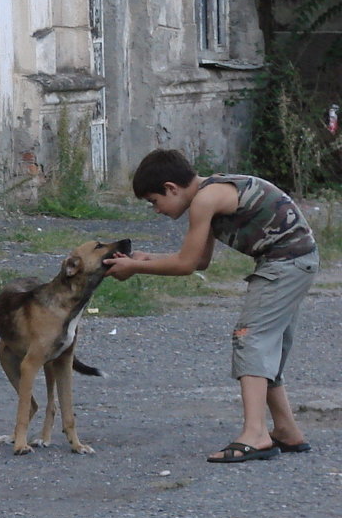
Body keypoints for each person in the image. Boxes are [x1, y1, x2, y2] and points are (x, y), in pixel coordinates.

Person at [105, 149, 318, 463]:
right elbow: (200, 261)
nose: (156, 210)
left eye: (154, 201)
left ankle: (255, 434)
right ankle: (286, 430)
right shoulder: (207, 195)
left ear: (171, 188)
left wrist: (135, 269)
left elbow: (187, 264)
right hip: (295, 261)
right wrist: (147, 259)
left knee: (251, 339)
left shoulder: (205, 200)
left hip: (283, 264)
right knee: (267, 347)